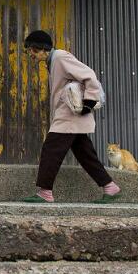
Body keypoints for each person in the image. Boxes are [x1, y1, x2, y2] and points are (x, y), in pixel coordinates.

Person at [21, 30, 121, 203]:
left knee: (51, 150)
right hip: (70, 116)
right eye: (29, 50)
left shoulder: (60, 57)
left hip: (69, 117)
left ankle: (45, 192)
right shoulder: (52, 61)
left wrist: (89, 102)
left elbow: (89, 75)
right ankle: (110, 187)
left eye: (33, 50)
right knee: (85, 154)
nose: (31, 54)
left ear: (43, 48)